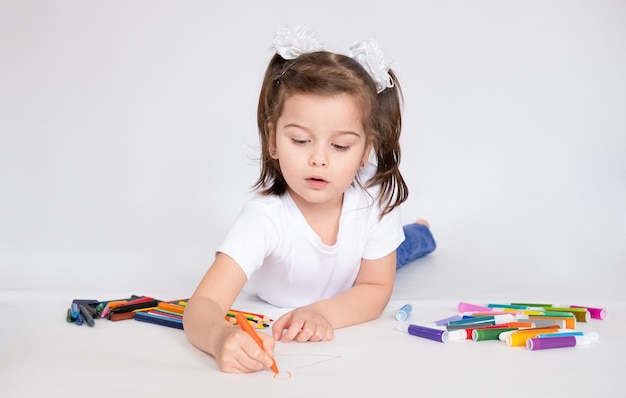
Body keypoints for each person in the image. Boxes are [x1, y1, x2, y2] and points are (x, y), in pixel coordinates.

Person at [183, 25, 436, 374]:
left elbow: (375, 286)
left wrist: (322, 313)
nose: (319, 159)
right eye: (301, 140)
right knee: (392, 249)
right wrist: (219, 337)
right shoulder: (263, 219)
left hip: (354, 272)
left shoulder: (374, 200)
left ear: (365, 153)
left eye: (340, 146)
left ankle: (419, 232)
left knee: (403, 249)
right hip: (341, 269)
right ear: (272, 139)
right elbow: (203, 305)